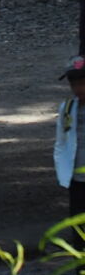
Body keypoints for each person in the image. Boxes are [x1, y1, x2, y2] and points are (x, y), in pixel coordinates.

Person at [56, 56, 85, 228]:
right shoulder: (67, 108)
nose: (78, 88)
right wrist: (62, 170)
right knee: (77, 217)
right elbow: (61, 141)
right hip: (76, 175)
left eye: (82, 82)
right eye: (73, 84)